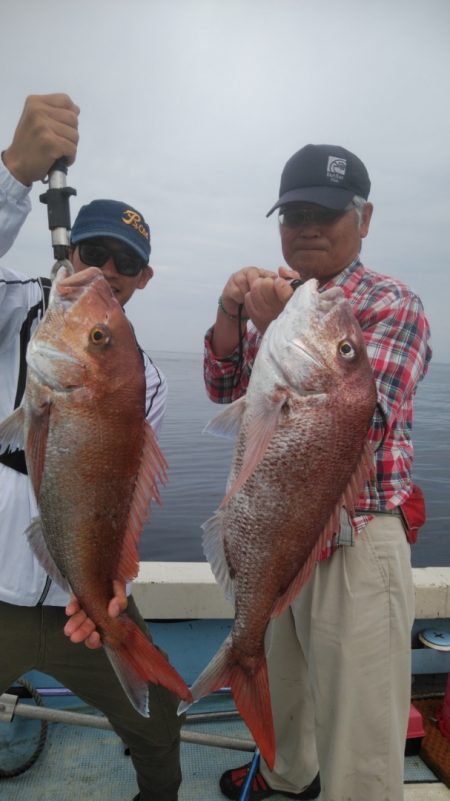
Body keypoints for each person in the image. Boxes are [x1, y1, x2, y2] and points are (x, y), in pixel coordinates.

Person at [203, 145, 432, 801]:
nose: (306, 226)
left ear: (365, 217)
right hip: (274, 531)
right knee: (288, 695)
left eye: (325, 213)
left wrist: (280, 324)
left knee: (360, 736)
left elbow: (363, 414)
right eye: (294, 212)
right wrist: (231, 313)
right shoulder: (285, 301)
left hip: (355, 544)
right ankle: (284, 776)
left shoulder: (392, 303)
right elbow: (224, 387)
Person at [0, 94, 181, 801]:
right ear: (69, 249)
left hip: (84, 591)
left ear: (143, 280)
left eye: (124, 263)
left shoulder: (147, 382)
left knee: (157, 719)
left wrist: (110, 591)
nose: (105, 270)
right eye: (92, 251)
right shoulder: (14, 304)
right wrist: (14, 173)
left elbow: (118, 497)